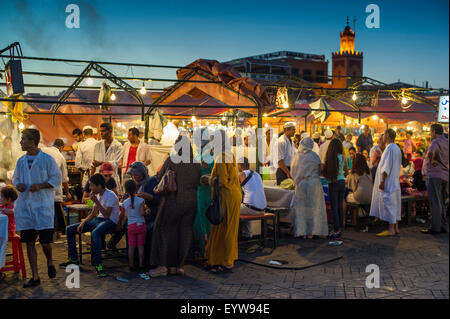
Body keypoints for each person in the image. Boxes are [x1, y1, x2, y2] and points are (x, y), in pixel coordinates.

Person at [13, 128, 62, 288]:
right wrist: (17, 184)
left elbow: (56, 179)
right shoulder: (20, 161)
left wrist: (40, 186)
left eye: (23, 139)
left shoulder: (47, 160)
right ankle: (35, 276)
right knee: (28, 242)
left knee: (45, 243)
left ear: (32, 141)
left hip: (42, 207)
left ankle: (49, 261)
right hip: (26, 207)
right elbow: (16, 177)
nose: (20, 142)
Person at [149, 135, 201, 277]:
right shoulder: (196, 163)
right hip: (191, 202)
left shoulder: (172, 161)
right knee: (185, 232)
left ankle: (162, 266)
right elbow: (198, 181)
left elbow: (159, 178)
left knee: (164, 231)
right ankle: (180, 266)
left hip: (174, 200)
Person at [61, 174, 120, 277]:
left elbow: (106, 215)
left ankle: (98, 265)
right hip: (98, 220)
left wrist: (96, 201)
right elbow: (93, 214)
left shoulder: (111, 195)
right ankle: (73, 259)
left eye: (92, 185)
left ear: (100, 185)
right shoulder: (97, 195)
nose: (90, 188)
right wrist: (83, 222)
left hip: (110, 222)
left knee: (95, 233)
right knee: (70, 229)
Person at [203, 130, 242, 274]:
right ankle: (222, 260)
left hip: (226, 196)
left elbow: (222, 181)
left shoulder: (220, 156)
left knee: (223, 230)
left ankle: (224, 262)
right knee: (227, 229)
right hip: (233, 195)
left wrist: (207, 180)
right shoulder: (229, 154)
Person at [290, 137, 328, 239]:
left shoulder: (297, 157)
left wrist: (297, 179)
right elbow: (320, 170)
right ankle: (314, 230)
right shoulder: (315, 156)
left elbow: (293, 172)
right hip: (314, 184)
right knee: (314, 208)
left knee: (301, 208)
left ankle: (303, 231)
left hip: (302, 184)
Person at [370, 129, 402, 237]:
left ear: (388, 136)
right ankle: (396, 228)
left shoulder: (389, 148)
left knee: (389, 205)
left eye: (383, 135)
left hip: (389, 182)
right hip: (395, 181)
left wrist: (382, 181)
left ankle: (391, 229)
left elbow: (386, 167)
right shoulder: (397, 148)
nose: (382, 137)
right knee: (395, 204)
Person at [421, 124, 449, 235]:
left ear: (434, 132)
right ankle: (443, 225)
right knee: (441, 202)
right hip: (445, 175)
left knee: (435, 202)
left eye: (430, 132)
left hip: (434, 175)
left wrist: (431, 161)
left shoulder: (435, 142)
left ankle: (435, 227)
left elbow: (431, 152)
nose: (430, 134)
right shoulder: (447, 141)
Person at [41, 139, 71, 235]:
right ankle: (63, 230)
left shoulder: (44, 150)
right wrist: (68, 193)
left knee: (44, 209)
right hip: (54, 186)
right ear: (61, 147)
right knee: (58, 207)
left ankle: (44, 230)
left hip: (41, 185)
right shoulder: (60, 156)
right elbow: (64, 179)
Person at [194, 129, 214, 259]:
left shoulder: (203, 157)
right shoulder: (213, 156)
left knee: (203, 223)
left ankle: (205, 252)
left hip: (203, 194)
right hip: (208, 194)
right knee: (207, 222)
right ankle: (208, 251)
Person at [323, 138, 348, 240]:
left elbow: (325, 173)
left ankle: (336, 230)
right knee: (339, 206)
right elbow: (346, 170)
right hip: (342, 182)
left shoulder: (330, 158)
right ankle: (340, 228)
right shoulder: (343, 157)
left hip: (333, 183)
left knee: (334, 208)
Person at [238, 157, 267, 239]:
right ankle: (247, 234)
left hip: (252, 209)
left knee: (231, 209)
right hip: (262, 209)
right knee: (246, 206)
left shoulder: (241, 174)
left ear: (240, 165)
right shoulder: (257, 174)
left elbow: (232, 185)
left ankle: (234, 237)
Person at [122, 179, 146, 273]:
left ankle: (131, 265)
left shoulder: (125, 202)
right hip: (141, 225)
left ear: (126, 190)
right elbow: (141, 213)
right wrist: (147, 212)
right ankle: (141, 265)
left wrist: (120, 224)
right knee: (141, 247)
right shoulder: (141, 200)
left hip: (131, 227)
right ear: (136, 189)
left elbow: (124, 216)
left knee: (131, 247)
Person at [91, 122, 123, 192]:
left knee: (113, 199)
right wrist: (91, 178)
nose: (101, 133)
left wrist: (101, 163)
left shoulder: (118, 145)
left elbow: (115, 163)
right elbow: (93, 164)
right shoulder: (97, 145)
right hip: (98, 179)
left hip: (111, 178)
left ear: (110, 131)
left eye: (103, 131)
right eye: (100, 131)